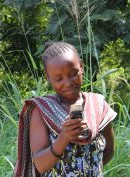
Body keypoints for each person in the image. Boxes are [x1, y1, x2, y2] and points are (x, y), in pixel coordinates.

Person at [14, 42, 117, 177]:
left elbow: (109, 151)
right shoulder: (41, 111)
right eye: (59, 78)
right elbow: (40, 165)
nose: (68, 82)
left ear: (81, 66)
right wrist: (64, 137)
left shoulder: (98, 105)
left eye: (73, 73)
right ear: (48, 77)